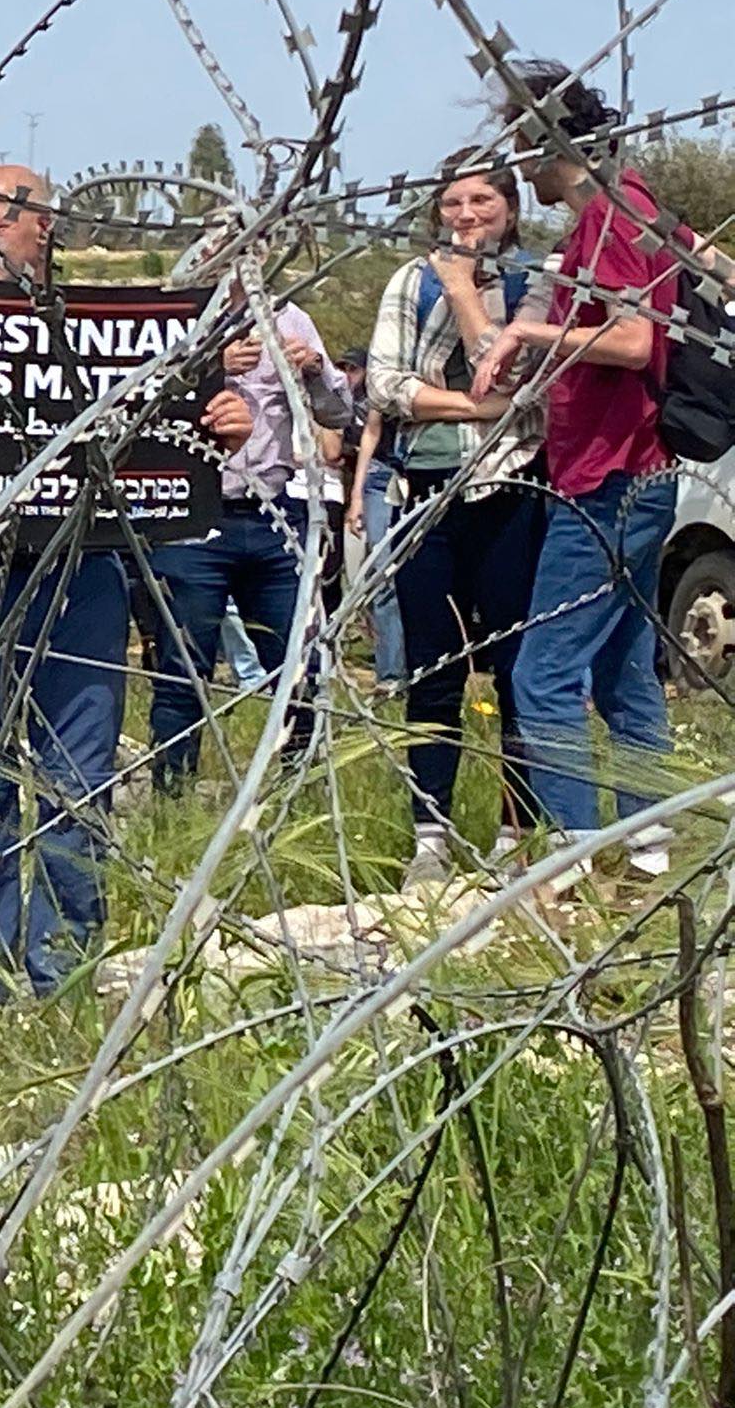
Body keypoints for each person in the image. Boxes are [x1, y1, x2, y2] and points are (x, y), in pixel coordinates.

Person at [0, 164, 253, 999]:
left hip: (81, 571)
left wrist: (221, 427)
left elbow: (176, 441)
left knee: (78, 772)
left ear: (46, 229)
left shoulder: (111, 328)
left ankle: (61, 963)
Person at [473, 62, 683, 877]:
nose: (514, 155)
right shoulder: (629, 207)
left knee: (544, 671)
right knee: (621, 665)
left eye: (517, 135)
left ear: (540, 135)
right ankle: (651, 846)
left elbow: (633, 343)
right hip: (630, 474)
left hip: (609, 476)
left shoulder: (608, 217)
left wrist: (527, 338)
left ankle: (569, 852)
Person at [365, 155, 551, 886]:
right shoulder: (409, 281)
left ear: (508, 205)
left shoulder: (538, 278)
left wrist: (464, 292)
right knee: (432, 671)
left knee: (514, 669)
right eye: (452, 202)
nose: (466, 214)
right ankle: (430, 835)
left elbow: (520, 377)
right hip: (427, 488)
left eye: (481, 199)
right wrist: (482, 407)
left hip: (510, 486)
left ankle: (516, 832)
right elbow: (385, 385)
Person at [144, 254, 352, 790]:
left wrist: (314, 370)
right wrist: (210, 366)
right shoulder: (175, 322)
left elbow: (338, 413)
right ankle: (173, 794)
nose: (239, 261)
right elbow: (141, 404)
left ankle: (299, 791)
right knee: (183, 669)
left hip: (270, 512)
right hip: (190, 515)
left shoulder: (291, 319)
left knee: (298, 666)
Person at [345, 349, 408, 688]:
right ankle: (391, 675)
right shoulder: (380, 381)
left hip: (425, 469)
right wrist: (356, 497)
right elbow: (370, 432)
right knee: (383, 575)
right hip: (382, 476)